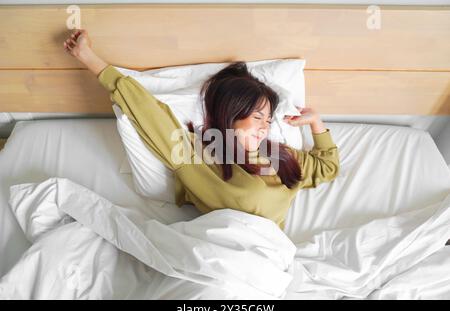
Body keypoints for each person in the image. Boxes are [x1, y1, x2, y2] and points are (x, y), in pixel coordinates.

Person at [63, 29, 340, 230]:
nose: (264, 127)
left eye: (268, 120)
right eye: (257, 117)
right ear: (233, 115)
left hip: (268, 256)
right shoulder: (202, 156)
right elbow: (148, 113)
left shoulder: (280, 157)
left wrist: (316, 123)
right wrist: (89, 58)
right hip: (223, 252)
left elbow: (327, 168)